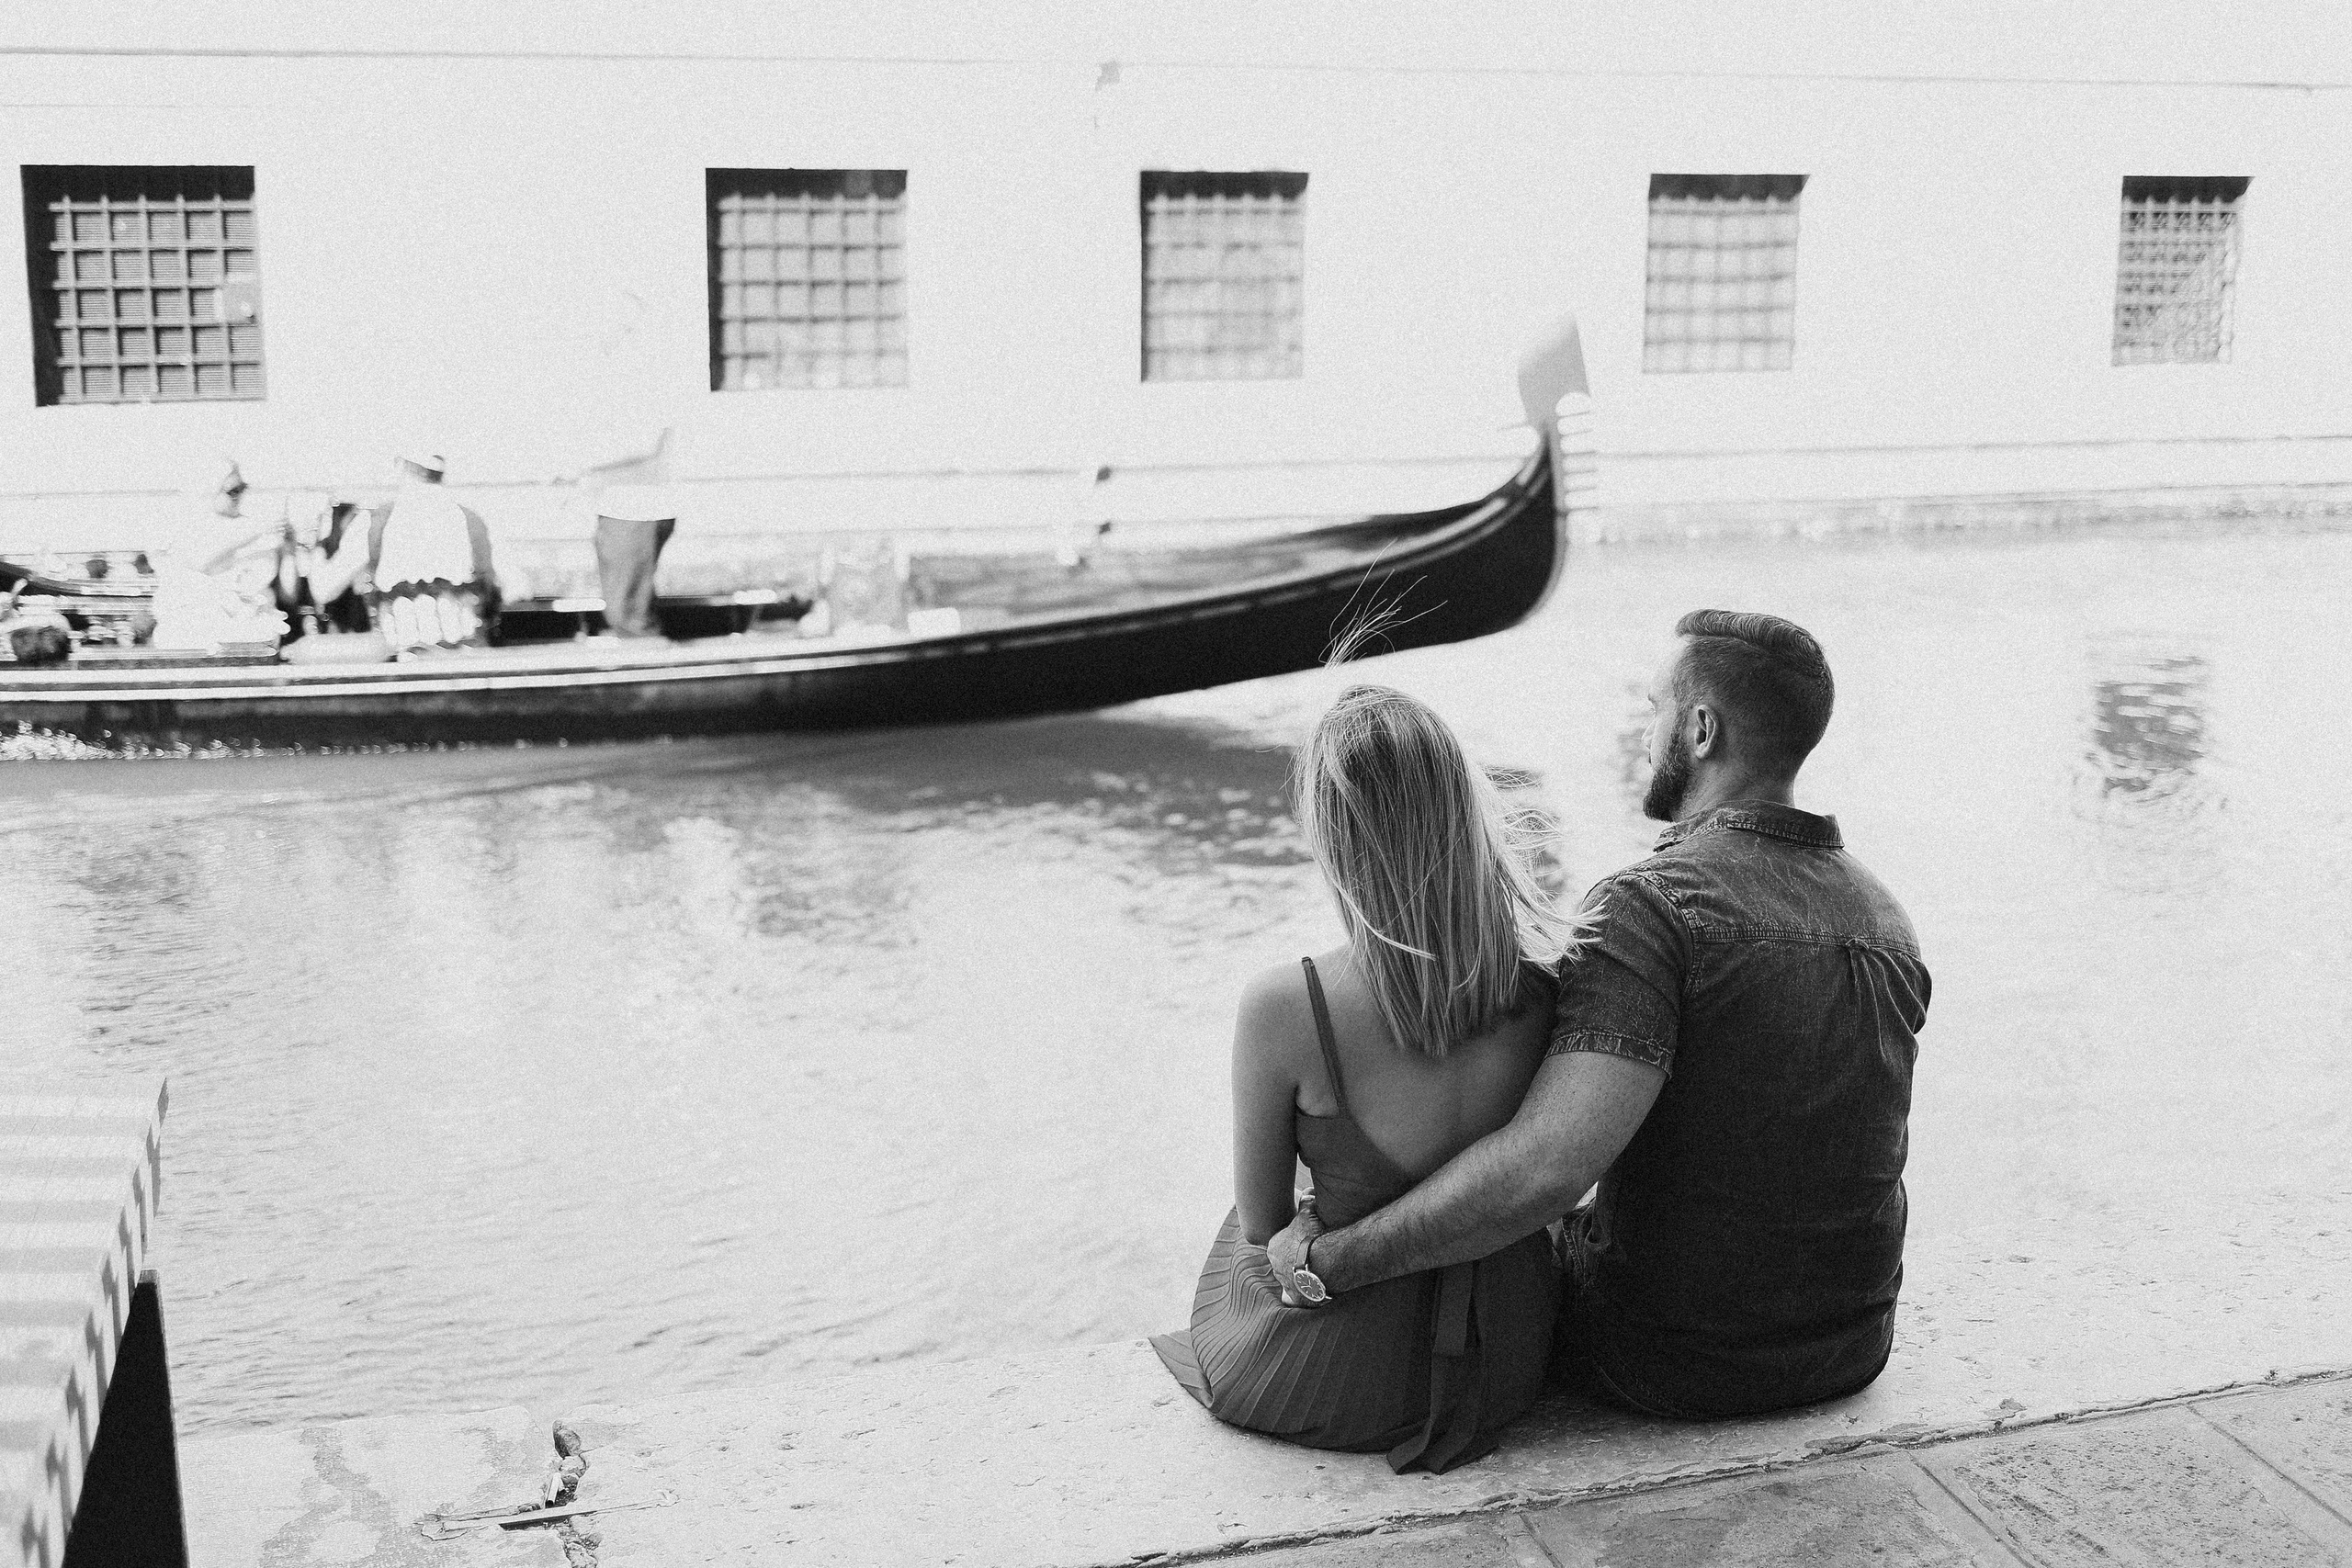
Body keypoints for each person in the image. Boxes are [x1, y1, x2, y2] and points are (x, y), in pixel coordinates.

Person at [1266, 610, 1931, 1422]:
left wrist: (1329, 1261)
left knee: (1494, 1247)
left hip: (1670, 1359)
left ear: (1699, 729)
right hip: (1852, 1345)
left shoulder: (1651, 909)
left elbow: (1545, 1173)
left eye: (1653, 709)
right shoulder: (1886, 919)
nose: (1641, 733)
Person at [1152, 684, 1583, 1473]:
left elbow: (1264, 1224)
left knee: (1238, 1234)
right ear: (1465, 815)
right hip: (1509, 1355)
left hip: (1355, 1370)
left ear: (1334, 840)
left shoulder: (1288, 1004)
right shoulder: (1549, 986)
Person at [142, 457, 291, 651]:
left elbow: (286, 593)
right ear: (208, 491)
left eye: (242, 488)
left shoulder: (254, 529)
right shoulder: (182, 526)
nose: (240, 496)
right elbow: (200, 559)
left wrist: (289, 548)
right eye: (233, 491)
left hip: (248, 629)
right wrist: (257, 531)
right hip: (192, 630)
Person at [363, 453, 498, 654]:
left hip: (400, 661)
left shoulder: (376, 520)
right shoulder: (471, 520)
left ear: (400, 465)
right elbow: (517, 587)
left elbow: (323, 590)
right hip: (464, 659)